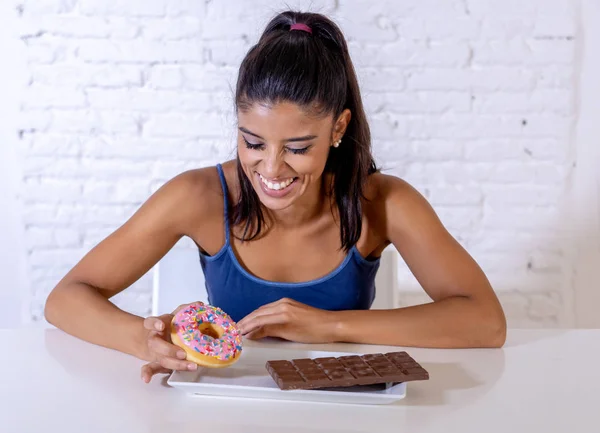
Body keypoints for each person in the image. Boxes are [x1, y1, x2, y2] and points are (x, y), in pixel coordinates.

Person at [44, 11, 507, 383]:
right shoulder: (196, 196)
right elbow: (65, 298)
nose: (270, 169)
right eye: (253, 142)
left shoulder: (385, 203)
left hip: (346, 407)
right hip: (230, 405)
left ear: (338, 128)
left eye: (298, 148)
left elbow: (485, 322)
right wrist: (140, 338)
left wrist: (331, 326)